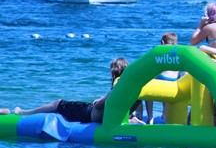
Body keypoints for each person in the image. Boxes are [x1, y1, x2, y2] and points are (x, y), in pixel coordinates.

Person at [0, 58, 144, 124]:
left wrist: (99, 100)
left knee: (58, 104)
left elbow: (101, 105)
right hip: (109, 117)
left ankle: (23, 113)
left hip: (90, 115)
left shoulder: (116, 90)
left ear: (113, 74)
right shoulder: (132, 91)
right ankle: (133, 120)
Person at [145, 32, 184, 123]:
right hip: (174, 84)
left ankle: (150, 118)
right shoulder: (181, 52)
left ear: (162, 42)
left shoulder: (159, 50)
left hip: (162, 82)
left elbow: (149, 68)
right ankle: (164, 115)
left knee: (146, 85)